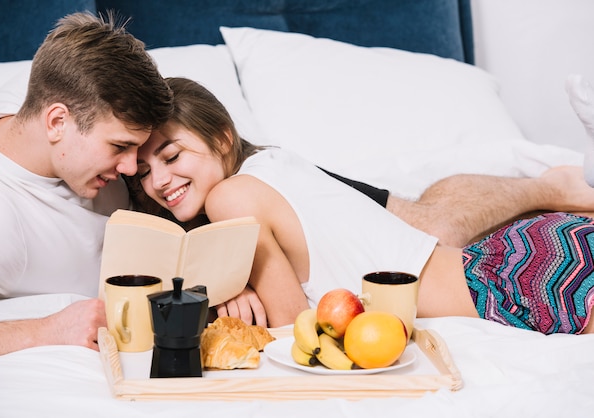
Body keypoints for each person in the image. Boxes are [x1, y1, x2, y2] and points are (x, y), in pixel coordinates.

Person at [133, 77, 594, 333]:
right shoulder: (273, 164)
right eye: (143, 173)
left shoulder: (229, 198)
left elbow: (298, 330)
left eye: (171, 156)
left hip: (511, 286)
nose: (159, 180)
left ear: (221, 137)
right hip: (517, 253)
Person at [0, 11, 173, 361]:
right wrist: (45, 330)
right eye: (119, 146)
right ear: (57, 122)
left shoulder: (49, 83)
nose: (129, 168)